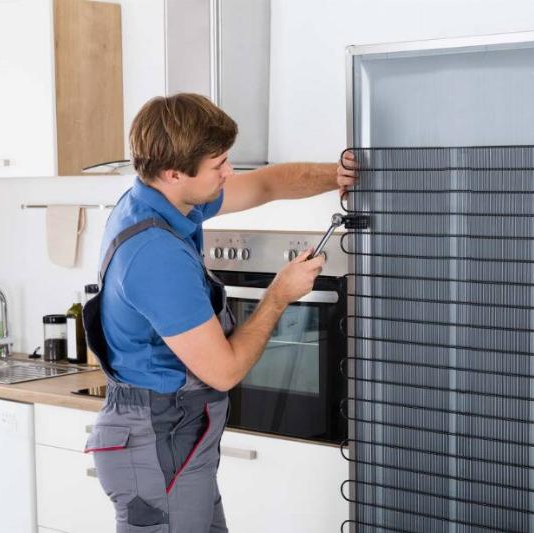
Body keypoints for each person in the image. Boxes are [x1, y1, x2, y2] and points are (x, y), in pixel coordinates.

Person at [82, 92, 357, 533]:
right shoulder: (154, 255)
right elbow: (224, 371)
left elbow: (266, 184)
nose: (229, 172)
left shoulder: (165, 200)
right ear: (174, 172)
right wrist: (278, 295)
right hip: (157, 446)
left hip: (176, 439)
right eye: (219, 165)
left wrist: (340, 175)